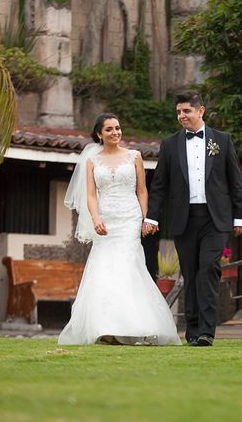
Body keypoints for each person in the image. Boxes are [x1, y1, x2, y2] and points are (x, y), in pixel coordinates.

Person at [58, 113, 181, 346]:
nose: (115, 132)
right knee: (104, 268)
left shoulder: (134, 156)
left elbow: (142, 190)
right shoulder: (92, 162)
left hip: (129, 219)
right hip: (105, 220)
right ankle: (105, 327)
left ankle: (137, 326)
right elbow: (91, 195)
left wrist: (147, 218)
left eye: (117, 128)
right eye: (109, 129)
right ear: (99, 134)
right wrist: (95, 218)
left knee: (129, 266)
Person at [143, 91, 242, 347]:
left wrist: (240, 217)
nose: (182, 116)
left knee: (208, 269)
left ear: (200, 111)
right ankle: (192, 331)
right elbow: (159, 186)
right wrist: (152, 218)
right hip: (184, 219)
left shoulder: (222, 140)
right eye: (178, 112)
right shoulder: (170, 144)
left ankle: (207, 332)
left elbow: (235, 181)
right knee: (189, 274)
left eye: (186, 111)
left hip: (215, 219)